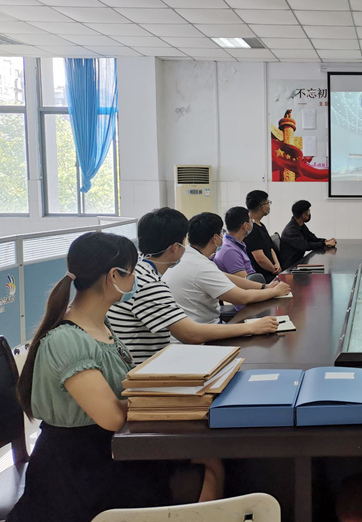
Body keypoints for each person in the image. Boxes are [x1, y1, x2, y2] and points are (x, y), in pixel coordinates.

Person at [9, 232, 222, 522]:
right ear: (113, 276)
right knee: (210, 468)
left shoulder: (101, 325)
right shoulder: (67, 340)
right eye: (132, 272)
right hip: (81, 471)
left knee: (211, 458)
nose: (135, 280)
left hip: (108, 450)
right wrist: (162, 397)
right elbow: (111, 417)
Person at [107, 208, 282, 365]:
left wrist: (265, 289)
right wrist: (252, 327)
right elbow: (191, 335)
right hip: (149, 368)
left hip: (151, 359)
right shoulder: (150, 284)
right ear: (175, 247)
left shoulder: (138, 271)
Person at [163, 212, 290, 325]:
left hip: (196, 325)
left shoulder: (188, 254)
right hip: (207, 330)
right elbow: (242, 297)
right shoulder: (201, 266)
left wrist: (265, 287)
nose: (222, 236)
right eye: (221, 233)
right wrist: (275, 291)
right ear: (215, 238)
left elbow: (224, 276)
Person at [280, 200, 336, 268]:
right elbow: (306, 246)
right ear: (304, 216)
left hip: (298, 263)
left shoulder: (301, 226)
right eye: (309, 211)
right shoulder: (291, 231)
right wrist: (325, 243)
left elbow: (313, 239)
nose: (310, 214)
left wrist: (326, 241)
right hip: (290, 267)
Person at [244, 190, 281, 281]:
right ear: (263, 207)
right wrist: (274, 270)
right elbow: (260, 258)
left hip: (272, 271)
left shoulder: (261, 225)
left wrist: (277, 264)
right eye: (268, 203)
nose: (269, 206)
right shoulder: (251, 229)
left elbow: (270, 247)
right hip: (263, 277)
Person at [214, 206, 257, 278]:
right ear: (245, 225)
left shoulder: (235, 244)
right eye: (251, 220)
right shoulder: (229, 251)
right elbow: (245, 281)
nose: (252, 222)